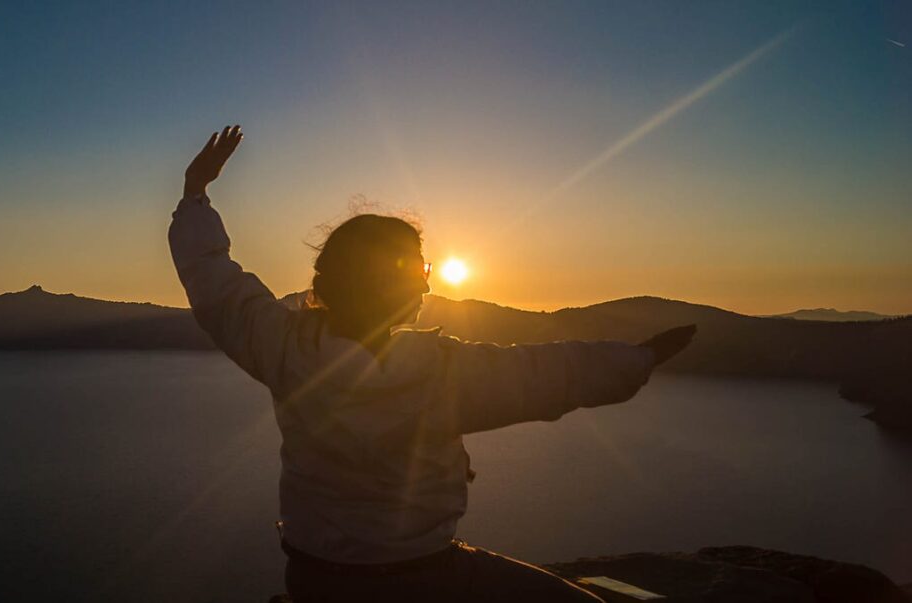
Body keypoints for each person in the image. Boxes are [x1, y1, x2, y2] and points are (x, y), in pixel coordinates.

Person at [168, 125, 697, 603]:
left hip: (313, 577)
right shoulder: (440, 372)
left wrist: (195, 193)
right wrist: (638, 358)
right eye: (415, 269)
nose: (426, 281)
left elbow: (215, 282)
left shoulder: (283, 345)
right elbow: (550, 374)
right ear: (384, 283)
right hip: (421, 578)